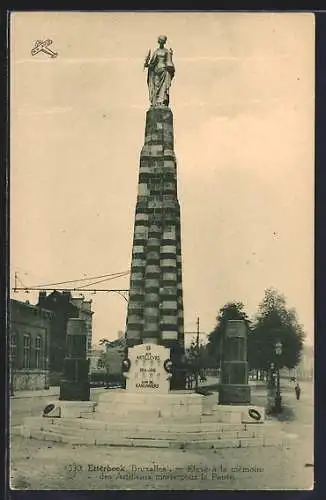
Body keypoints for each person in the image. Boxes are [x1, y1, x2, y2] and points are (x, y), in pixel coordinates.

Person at [144, 35, 175, 107]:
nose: (161, 42)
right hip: (156, 72)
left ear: (164, 42)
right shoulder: (156, 52)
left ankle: (162, 102)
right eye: (160, 41)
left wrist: (170, 56)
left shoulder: (166, 51)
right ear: (159, 42)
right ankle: (155, 102)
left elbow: (169, 62)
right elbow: (152, 64)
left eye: (163, 41)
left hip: (164, 71)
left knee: (163, 87)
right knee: (156, 87)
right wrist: (147, 65)